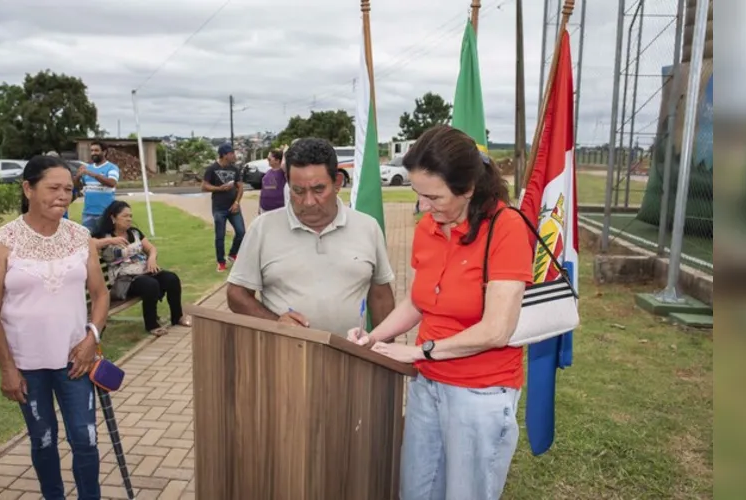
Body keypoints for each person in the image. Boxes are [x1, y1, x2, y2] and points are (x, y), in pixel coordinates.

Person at [346, 125, 533, 500]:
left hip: (479, 393)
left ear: (466, 189)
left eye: (434, 197)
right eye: (418, 194)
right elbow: (418, 302)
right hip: (428, 385)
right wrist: (375, 336)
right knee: (416, 490)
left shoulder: (506, 228)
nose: (423, 207)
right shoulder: (428, 227)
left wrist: (418, 351)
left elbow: (497, 329)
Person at [0, 155, 110, 500]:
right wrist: (7, 368)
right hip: (26, 365)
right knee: (44, 439)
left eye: (68, 188)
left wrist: (91, 339)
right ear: (28, 188)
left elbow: (99, 296)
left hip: (75, 360)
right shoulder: (2, 241)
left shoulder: (80, 236)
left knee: (85, 439)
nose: (63, 195)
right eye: (53, 187)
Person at [227, 137, 396, 335]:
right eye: (298, 191)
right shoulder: (262, 228)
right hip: (287, 358)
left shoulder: (368, 227)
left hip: (351, 359)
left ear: (337, 183)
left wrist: (385, 353)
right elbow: (236, 294)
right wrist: (275, 322)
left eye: (318, 189)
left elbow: (380, 296)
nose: (308, 202)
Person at [93, 200, 190, 336]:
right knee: (150, 284)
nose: (129, 219)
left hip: (144, 272)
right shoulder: (104, 236)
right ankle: (151, 324)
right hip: (125, 280)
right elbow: (89, 244)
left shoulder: (135, 233)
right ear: (113, 217)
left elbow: (151, 248)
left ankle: (177, 316)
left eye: (130, 216)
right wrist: (110, 241)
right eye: (125, 216)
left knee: (171, 278)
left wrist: (151, 258)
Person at [202, 143, 245, 272]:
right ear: (224, 155)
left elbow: (240, 187)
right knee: (220, 236)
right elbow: (204, 186)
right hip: (219, 208)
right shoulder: (212, 169)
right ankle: (221, 262)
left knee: (241, 232)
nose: (234, 156)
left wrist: (237, 202)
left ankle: (232, 254)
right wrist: (219, 188)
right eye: (232, 153)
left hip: (234, 207)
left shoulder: (235, 169)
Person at [79, 141, 120, 231]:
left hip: (105, 213)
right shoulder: (88, 168)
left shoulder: (112, 167)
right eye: (92, 150)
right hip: (87, 213)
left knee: (106, 240)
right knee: (88, 241)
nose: (93, 153)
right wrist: (78, 175)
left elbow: (112, 183)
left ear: (104, 152)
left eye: (96, 150)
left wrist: (93, 174)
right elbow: (78, 186)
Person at [258, 149, 287, 214]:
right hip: (264, 208)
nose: (267, 160)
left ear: (277, 160)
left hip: (278, 210)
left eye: (269, 159)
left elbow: (284, 164)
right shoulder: (267, 173)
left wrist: (284, 152)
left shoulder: (283, 172)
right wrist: (259, 207)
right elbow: (263, 191)